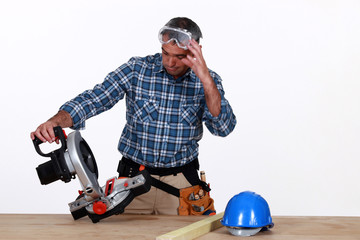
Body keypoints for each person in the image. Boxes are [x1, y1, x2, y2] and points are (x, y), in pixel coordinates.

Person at [31, 17, 236, 215]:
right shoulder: (137, 70)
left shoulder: (209, 81)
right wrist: (55, 121)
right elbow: (95, 98)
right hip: (133, 182)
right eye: (165, 53)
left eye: (180, 57)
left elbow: (223, 128)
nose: (171, 62)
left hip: (181, 186)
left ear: (196, 52)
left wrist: (206, 80)